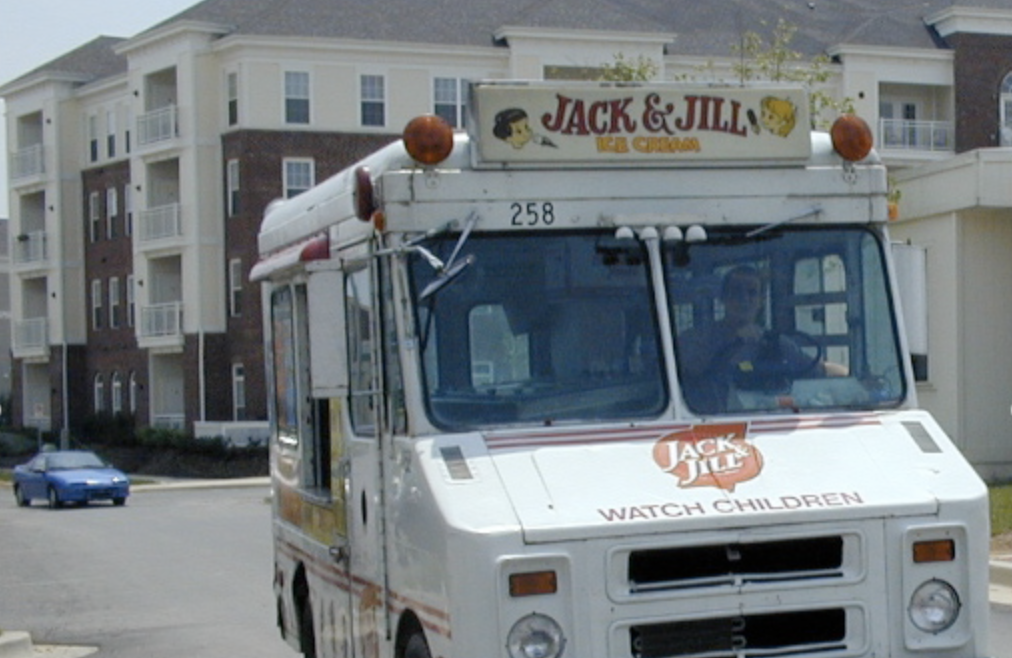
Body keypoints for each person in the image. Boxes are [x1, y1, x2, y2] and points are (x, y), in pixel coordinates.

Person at [676, 265, 844, 412]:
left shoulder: (774, 342)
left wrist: (853, 377)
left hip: (762, 419)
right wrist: (733, 342)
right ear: (723, 298)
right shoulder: (696, 338)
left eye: (752, 293)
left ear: (761, 300)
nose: (744, 299)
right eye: (736, 292)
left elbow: (814, 368)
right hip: (707, 421)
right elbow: (690, 372)